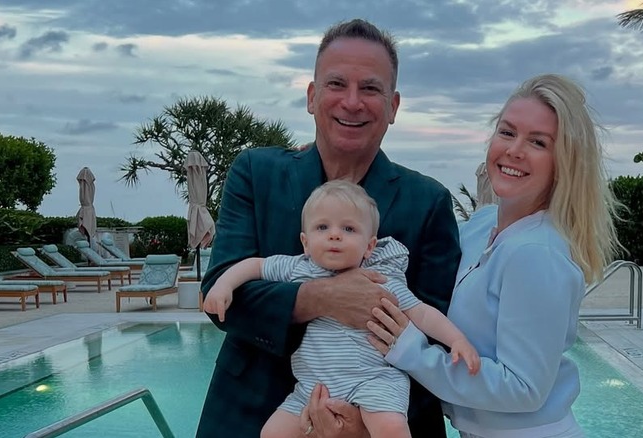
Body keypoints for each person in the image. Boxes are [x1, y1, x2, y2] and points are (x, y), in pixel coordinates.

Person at [196, 18, 462, 438]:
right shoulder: (255, 173)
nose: (352, 102)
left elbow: (435, 337)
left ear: (393, 106)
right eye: (336, 84)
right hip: (250, 414)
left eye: (370, 89)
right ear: (311, 96)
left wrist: (359, 425)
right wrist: (323, 297)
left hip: (375, 419)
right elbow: (221, 295)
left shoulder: (426, 200)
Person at [368, 74, 622, 438]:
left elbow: (524, 388)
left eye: (538, 142)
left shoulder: (536, 253)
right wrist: (332, 171)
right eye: (507, 132)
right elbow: (409, 239)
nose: (515, 150)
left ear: (564, 162)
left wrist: (410, 350)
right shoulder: (482, 225)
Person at [203, 180, 479, 438]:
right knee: (271, 433)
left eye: (348, 229)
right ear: (305, 242)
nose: (334, 235)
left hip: (373, 382)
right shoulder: (299, 268)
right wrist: (223, 286)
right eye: (322, 228)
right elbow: (255, 266)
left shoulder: (380, 279)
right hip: (313, 385)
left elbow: (421, 312)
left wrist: (456, 339)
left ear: (369, 246)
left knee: (391, 428)